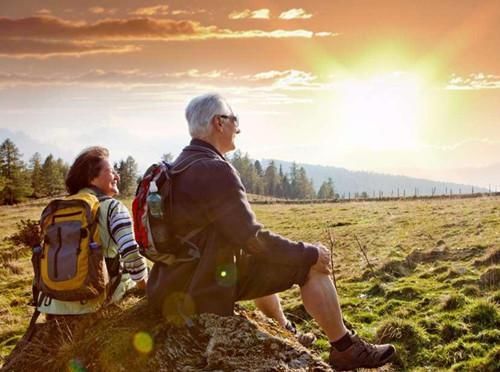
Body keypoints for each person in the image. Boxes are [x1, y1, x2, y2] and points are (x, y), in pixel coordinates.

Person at [147, 94, 395, 370]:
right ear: (219, 123)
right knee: (310, 267)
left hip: (170, 284)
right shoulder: (215, 169)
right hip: (201, 289)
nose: (238, 128)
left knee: (261, 259)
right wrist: (309, 252)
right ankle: (346, 348)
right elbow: (252, 239)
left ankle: (285, 329)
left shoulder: (177, 167)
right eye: (234, 119)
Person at [37, 146, 148, 315]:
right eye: (111, 171)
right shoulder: (113, 207)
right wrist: (145, 286)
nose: (117, 176)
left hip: (54, 302)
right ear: (91, 177)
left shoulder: (60, 208)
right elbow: (131, 254)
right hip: (95, 300)